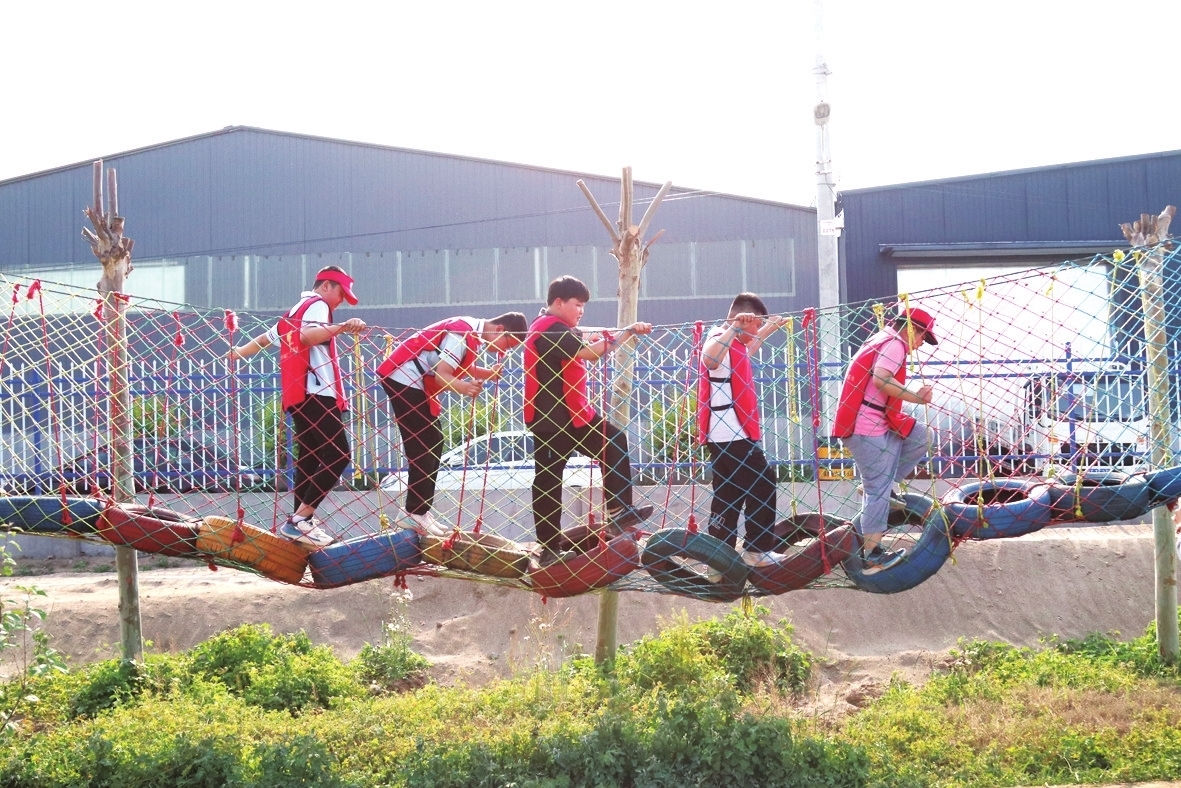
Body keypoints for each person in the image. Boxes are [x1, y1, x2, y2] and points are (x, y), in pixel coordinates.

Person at [229, 265, 367, 547]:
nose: (341, 301)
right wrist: (343, 326)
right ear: (326, 286)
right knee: (339, 454)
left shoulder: (292, 313)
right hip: (317, 391)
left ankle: (300, 521)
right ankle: (301, 520)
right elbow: (307, 336)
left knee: (309, 458)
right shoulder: (317, 305)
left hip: (297, 395)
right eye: (341, 294)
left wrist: (238, 353)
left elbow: (265, 339)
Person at [524, 275, 654, 565]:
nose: (581, 310)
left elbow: (584, 335)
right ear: (559, 302)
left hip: (575, 416)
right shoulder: (549, 329)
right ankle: (549, 548)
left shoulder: (556, 327)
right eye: (577, 304)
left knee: (613, 442)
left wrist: (612, 332)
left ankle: (618, 511)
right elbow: (592, 353)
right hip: (552, 420)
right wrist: (627, 333)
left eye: (583, 305)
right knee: (548, 481)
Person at [375, 313, 528, 537]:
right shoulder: (461, 334)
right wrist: (465, 388)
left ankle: (419, 511)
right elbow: (442, 375)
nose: (505, 351)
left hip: (412, 380)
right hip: (403, 378)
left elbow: (456, 365)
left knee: (434, 441)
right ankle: (413, 512)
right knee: (425, 443)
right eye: (509, 344)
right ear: (499, 330)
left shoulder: (469, 333)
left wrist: (488, 374)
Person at [832, 305, 937, 572]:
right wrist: (916, 396)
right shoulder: (894, 344)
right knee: (877, 489)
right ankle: (872, 555)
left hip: (877, 423)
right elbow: (881, 379)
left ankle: (884, 485)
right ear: (912, 329)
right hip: (864, 426)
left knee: (922, 435)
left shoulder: (882, 339)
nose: (921, 344)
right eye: (923, 337)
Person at [698, 292, 787, 566]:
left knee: (728, 494)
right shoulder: (720, 336)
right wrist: (736, 326)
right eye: (756, 324)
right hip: (732, 434)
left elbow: (745, 352)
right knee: (763, 484)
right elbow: (709, 359)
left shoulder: (734, 343)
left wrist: (769, 327)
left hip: (723, 435)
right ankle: (756, 550)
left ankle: (718, 557)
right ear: (743, 320)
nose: (757, 331)